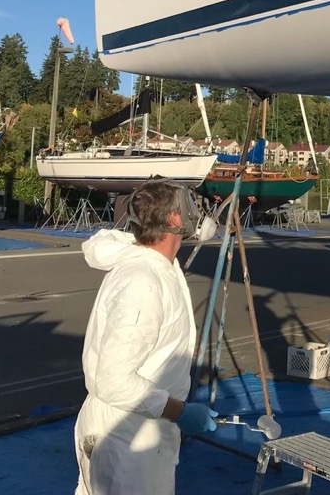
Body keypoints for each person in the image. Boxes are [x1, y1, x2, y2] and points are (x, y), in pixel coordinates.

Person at [74, 178, 217, 495]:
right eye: (189, 207)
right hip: (128, 436)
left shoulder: (151, 259)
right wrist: (180, 412)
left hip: (131, 426)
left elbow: (192, 233)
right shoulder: (143, 282)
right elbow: (113, 379)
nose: (196, 213)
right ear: (174, 219)